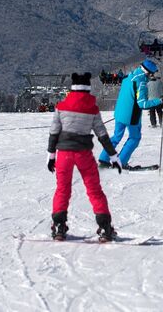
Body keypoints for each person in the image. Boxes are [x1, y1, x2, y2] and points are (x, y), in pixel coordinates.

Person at [48, 72, 123, 242]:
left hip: (64, 154)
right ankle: (105, 228)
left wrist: (51, 154)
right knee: (94, 190)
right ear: (88, 88)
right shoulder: (92, 108)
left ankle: (59, 226)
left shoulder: (61, 106)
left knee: (62, 189)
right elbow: (102, 134)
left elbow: (54, 132)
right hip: (84, 154)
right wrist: (113, 155)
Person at [98, 59, 163, 170]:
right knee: (134, 138)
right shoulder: (141, 82)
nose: (152, 76)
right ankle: (121, 162)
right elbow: (142, 104)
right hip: (131, 116)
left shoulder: (129, 77)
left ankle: (104, 159)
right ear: (148, 72)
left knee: (117, 136)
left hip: (119, 113)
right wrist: (159, 101)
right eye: (152, 73)